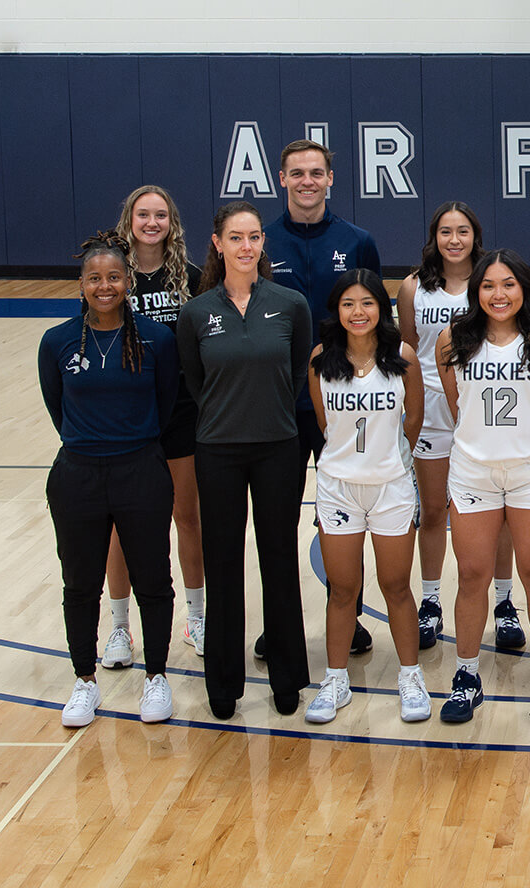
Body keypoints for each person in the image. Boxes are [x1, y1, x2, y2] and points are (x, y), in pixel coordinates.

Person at [179, 201, 312, 720]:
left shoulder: (290, 304)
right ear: (217, 244)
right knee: (224, 564)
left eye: (254, 237)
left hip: (278, 446)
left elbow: (296, 371)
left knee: (279, 560)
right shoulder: (196, 313)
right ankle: (223, 683)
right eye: (235, 237)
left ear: (263, 243)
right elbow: (196, 382)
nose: (246, 246)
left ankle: (287, 677)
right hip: (218, 450)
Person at [41, 231, 180, 726]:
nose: (105, 286)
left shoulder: (156, 339)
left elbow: (165, 405)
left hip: (140, 469)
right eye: (94, 278)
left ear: (128, 283)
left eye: (114, 277)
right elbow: (58, 409)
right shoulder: (56, 341)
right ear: (81, 283)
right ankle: (84, 680)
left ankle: (157, 677)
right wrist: (92, 443)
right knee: (79, 582)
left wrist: (129, 443)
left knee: (152, 579)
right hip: (77, 474)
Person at [438, 251, 530, 724]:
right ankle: (466, 676)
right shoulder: (452, 339)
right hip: (473, 471)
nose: (499, 294)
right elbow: (458, 404)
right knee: (472, 575)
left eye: (509, 284)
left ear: (525, 289)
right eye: (489, 285)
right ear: (476, 290)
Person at [264, 138, 383, 657]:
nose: (307, 181)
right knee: (277, 519)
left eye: (317, 172)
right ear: (282, 180)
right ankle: (281, 624)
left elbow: (376, 321)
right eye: (297, 173)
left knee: (344, 518)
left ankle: (349, 618)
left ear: (331, 179)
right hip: (278, 405)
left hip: (343, 407)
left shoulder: (358, 241)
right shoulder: (260, 241)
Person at [304, 270, 429, 725]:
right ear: (336, 311)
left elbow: (412, 420)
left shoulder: (403, 357)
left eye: (368, 303)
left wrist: (385, 462)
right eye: (349, 304)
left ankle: (410, 675)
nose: (358, 313)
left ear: (383, 308)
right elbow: (324, 425)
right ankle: (335, 678)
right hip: (338, 487)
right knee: (342, 589)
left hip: (392, 487)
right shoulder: (321, 358)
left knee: (396, 586)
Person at [98, 185, 206, 667]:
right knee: (124, 525)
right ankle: (119, 628)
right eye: (143, 214)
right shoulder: (110, 277)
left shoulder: (194, 278)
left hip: (181, 410)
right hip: (128, 415)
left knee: (188, 515)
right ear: (129, 219)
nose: (151, 222)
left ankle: (198, 616)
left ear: (172, 222)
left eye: (160, 214)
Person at [396, 201, 486, 651]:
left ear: (475, 236)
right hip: (431, 406)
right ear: (434, 237)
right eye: (446, 231)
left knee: (495, 515)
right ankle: (430, 601)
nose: (454, 240)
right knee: (433, 511)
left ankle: (504, 603)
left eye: (463, 231)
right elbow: (409, 350)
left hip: (481, 403)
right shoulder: (414, 288)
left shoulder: (490, 283)